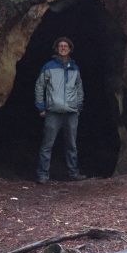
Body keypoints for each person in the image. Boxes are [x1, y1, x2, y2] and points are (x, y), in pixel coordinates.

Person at [34, 36, 87, 184]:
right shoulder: (49, 67)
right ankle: (43, 175)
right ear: (57, 49)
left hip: (71, 112)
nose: (63, 48)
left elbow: (79, 89)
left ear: (70, 49)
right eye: (60, 46)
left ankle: (73, 172)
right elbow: (39, 87)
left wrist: (78, 106)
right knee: (47, 144)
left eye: (66, 46)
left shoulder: (75, 68)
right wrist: (41, 107)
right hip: (53, 112)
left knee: (72, 144)